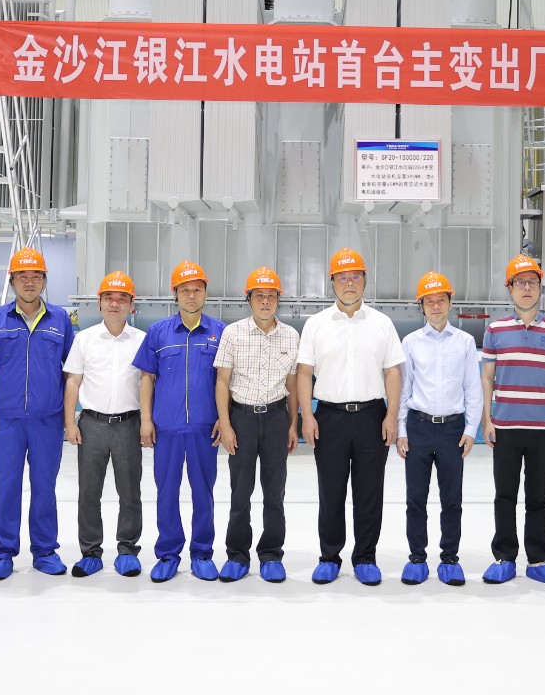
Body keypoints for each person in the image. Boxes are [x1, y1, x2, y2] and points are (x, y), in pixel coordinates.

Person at [296, 248, 405, 586]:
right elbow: (304, 373)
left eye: (355, 276)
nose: (349, 283)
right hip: (329, 418)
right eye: (342, 277)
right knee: (330, 492)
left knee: (369, 492)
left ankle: (366, 558)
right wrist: (307, 416)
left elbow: (393, 373)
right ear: (332, 282)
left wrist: (391, 415)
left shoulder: (382, 324)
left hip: (372, 417)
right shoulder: (316, 325)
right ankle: (329, 557)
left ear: (364, 281)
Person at [0, 247, 77, 581]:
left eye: (36, 276)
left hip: (47, 419)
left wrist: (68, 419)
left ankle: (45, 550)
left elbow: (71, 372)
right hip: (6, 419)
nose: (29, 282)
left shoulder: (60, 320)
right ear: (12, 281)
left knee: (44, 486)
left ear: (44, 281)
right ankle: (3, 552)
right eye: (23, 276)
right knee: (6, 486)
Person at [481, 253, 545, 586]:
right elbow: (487, 378)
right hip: (505, 427)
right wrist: (487, 420)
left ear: (539, 287)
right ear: (510, 288)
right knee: (505, 496)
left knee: (537, 498)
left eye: (532, 283)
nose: (526, 288)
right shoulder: (495, 329)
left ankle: (538, 560)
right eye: (519, 283)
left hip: (543, 429)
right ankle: (504, 557)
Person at [134, 261, 227, 583]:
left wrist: (224, 419)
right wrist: (146, 420)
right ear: (175, 294)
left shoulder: (220, 332)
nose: (191, 295)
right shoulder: (158, 332)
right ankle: (168, 553)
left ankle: (202, 553)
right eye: (185, 290)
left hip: (205, 429)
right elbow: (147, 378)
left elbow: (226, 380)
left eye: (197, 289)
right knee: (166, 492)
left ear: (205, 293)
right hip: (167, 429)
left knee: (204, 493)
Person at [213, 267, 300, 583]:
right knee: (240, 492)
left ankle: (271, 554)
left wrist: (293, 424)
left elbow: (292, 385)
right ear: (248, 299)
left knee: (274, 493)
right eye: (259, 295)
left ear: (279, 298)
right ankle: (237, 555)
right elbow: (222, 382)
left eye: (271, 295)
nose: (265, 301)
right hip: (242, 419)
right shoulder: (232, 333)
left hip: (276, 418)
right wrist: (226, 424)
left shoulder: (291, 336)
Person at [396, 271, 482, 586]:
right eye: (429, 301)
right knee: (415, 499)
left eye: (440, 300)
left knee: (451, 499)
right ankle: (417, 558)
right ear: (421, 306)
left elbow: (473, 388)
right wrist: (401, 429)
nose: (435, 306)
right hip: (418, 427)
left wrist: (471, 429)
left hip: (451, 430)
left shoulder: (465, 342)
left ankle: (449, 559)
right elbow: (404, 389)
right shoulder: (410, 342)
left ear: (450, 303)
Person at [63, 270, 147, 578]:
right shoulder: (84, 339)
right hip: (92, 424)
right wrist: (70, 423)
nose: (114, 304)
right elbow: (73, 382)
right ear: (99, 303)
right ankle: (90, 552)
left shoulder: (142, 341)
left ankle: (127, 549)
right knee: (89, 492)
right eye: (109, 298)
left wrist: (147, 422)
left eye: (122, 298)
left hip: (129, 424)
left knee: (130, 492)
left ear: (131, 305)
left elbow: (148, 383)